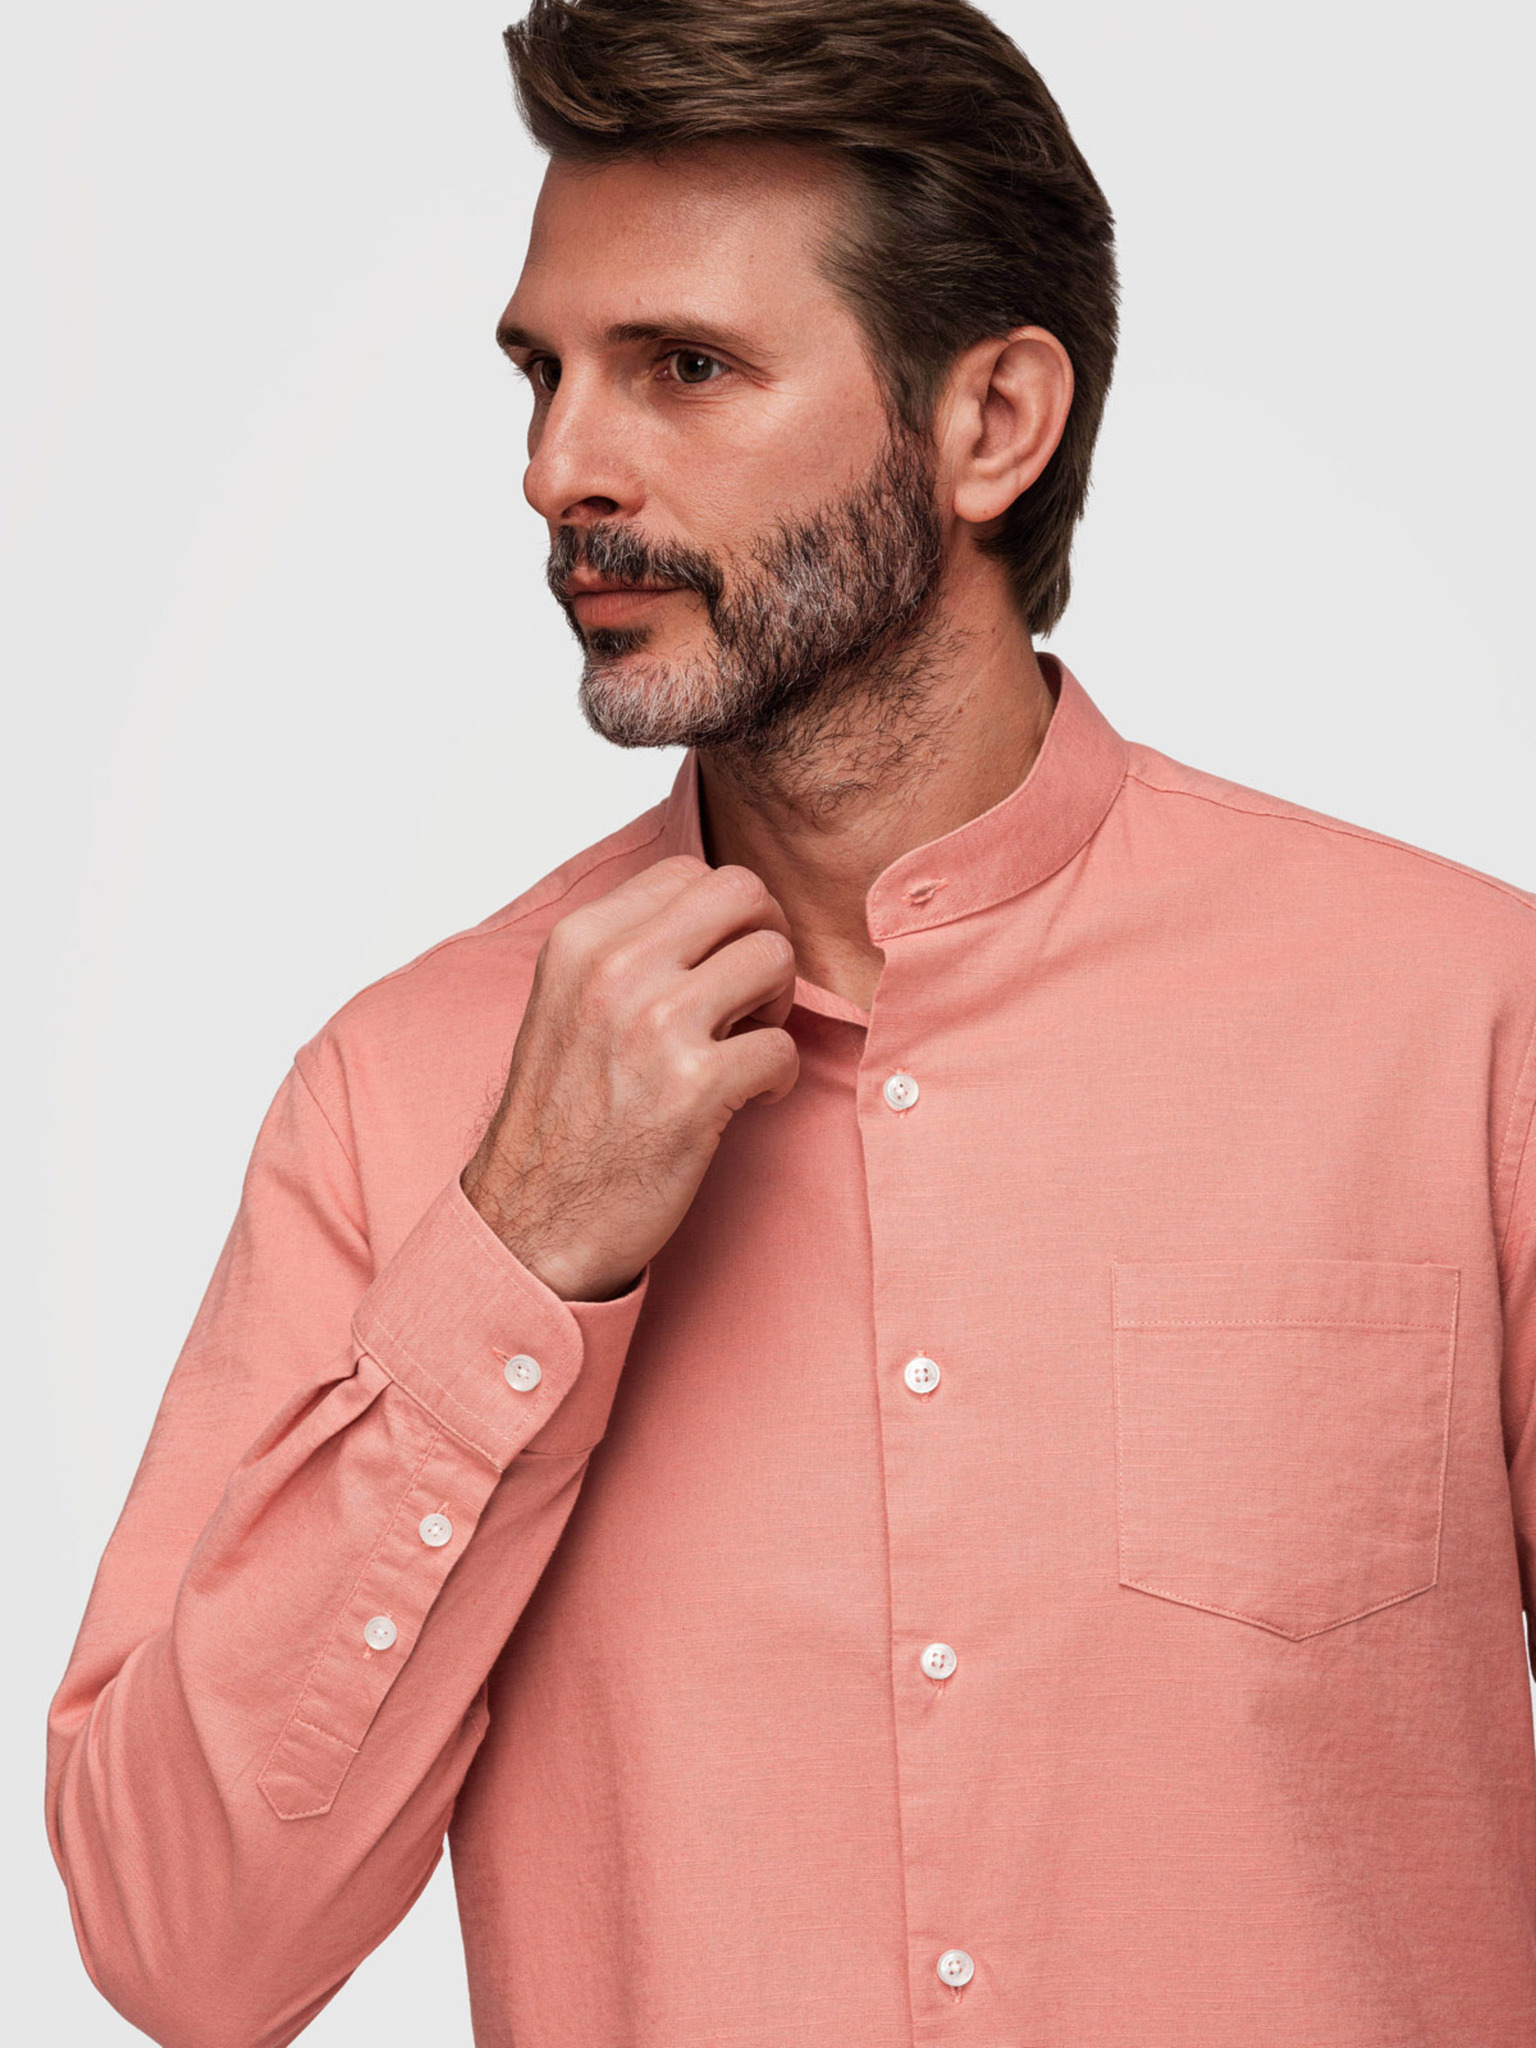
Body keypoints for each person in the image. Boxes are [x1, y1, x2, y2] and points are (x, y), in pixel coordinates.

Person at [45, 1, 1536, 2043]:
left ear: (992, 421)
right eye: (544, 374)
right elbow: (182, 1949)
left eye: (684, 367)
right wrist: (517, 1259)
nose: (560, 469)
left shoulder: (1462, 1030)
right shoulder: (405, 1100)